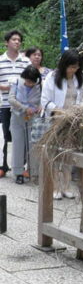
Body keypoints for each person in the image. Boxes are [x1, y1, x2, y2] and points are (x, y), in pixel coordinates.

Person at [41, 49, 83, 199]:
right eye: (71, 66)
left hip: (72, 123)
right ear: (64, 65)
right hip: (56, 121)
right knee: (54, 154)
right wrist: (59, 111)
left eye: (76, 67)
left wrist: (76, 111)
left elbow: (82, 98)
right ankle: (55, 187)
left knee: (68, 155)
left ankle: (65, 186)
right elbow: (45, 100)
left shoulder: (80, 78)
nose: (74, 70)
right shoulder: (52, 78)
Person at [0, 30, 30, 177]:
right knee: (5, 136)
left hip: (22, 105)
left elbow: (32, 80)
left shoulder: (26, 62)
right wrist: (4, 87)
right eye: (14, 39)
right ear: (7, 42)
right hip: (5, 104)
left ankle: (22, 166)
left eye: (19, 40)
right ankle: (3, 165)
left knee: (23, 136)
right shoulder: (0, 60)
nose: (17, 42)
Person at [8, 66, 42, 184]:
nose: (30, 84)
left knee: (33, 145)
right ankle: (18, 173)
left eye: (32, 81)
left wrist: (38, 108)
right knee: (18, 145)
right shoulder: (17, 82)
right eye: (28, 81)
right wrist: (24, 108)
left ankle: (33, 172)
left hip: (33, 119)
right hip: (17, 117)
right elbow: (11, 99)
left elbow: (42, 101)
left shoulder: (40, 86)